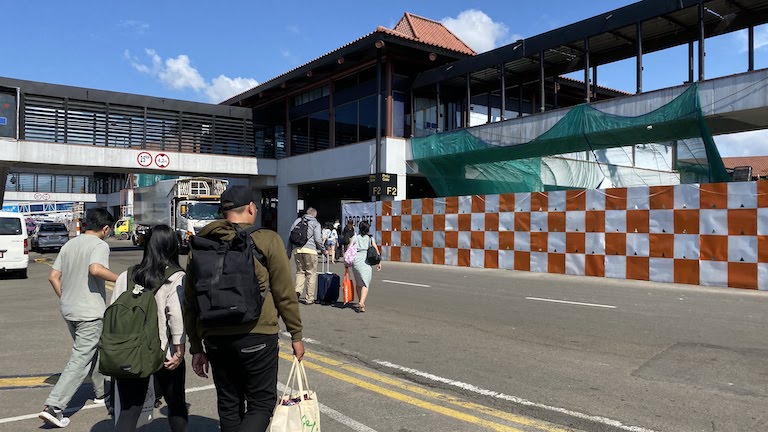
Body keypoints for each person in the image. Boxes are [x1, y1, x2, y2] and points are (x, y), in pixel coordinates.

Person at [185, 185, 304, 432]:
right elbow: (284, 292)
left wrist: (196, 346)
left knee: (229, 405)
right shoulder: (267, 239)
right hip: (257, 333)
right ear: (250, 208)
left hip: (215, 337)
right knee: (261, 404)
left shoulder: (201, 244)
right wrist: (296, 334)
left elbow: (191, 302)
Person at [39, 208, 117, 428]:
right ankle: (54, 406)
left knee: (96, 351)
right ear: (105, 228)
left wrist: (66, 297)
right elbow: (96, 269)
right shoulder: (100, 245)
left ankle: (103, 392)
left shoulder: (69, 244)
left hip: (69, 310)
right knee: (81, 359)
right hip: (89, 313)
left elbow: (53, 277)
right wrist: (122, 278)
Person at [110, 224, 187, 432]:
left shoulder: (126, 276)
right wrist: (179, 350)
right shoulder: (176, 277)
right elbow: (176, 317)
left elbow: (112, 311)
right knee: (176, 404)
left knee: (129, 410)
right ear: (172, 246)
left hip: (130, 352)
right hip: (164, 353)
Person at [289, 207, 323, 304]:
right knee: (311, 273)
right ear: (314, 215)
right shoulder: (315, 223)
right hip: (310, 250)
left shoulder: (298, 221)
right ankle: (309, 298)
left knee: (300, 272)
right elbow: (317, 239)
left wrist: (289, 251)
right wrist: (323, 249)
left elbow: (290, 235)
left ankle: (297, 292)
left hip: (297, 250)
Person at [349, 220, 382, 313]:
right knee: (366, 284)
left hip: (356, 261)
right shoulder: (370, 239)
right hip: (366, 261)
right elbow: (376, 250)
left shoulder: (355, 237)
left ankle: (361, 304)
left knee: (359, 283)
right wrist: (379, 262)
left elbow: (349, 248)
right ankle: (362, 302)